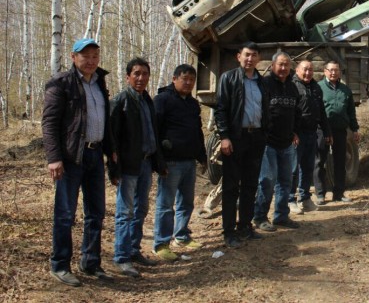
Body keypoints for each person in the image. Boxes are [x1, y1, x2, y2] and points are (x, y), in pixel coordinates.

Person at [42, 38, 115, 287]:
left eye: (95, 55)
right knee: (65, 214)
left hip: (95, 155)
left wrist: (111, 151)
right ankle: (60, 265)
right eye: (86, 56)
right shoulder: (61, 83)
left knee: (96, 213)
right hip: (72, 157)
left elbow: (105, 119)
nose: (91, 61)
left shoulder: (100, 82)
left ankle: (90, 262)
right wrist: (54, 158)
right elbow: (49, 124)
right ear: (74, 57)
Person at [110, 57, 167, 277]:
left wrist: (158, 162)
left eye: (145, 74)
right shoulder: (121, 101)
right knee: (125, 212)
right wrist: (114, 168)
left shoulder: (147, 101)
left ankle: (133, 250)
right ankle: (122, 257)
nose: (141, 78)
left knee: (141, 209)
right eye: (136, 74)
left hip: (145, 162)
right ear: (128, 77)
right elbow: (112, 139)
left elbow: (153, 134)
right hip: (128, 166)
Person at [215, 42, 268, 247]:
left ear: (258, 58)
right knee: (231, 186)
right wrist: (224, 137)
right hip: (236, 139)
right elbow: (221, 110)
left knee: (250, 185)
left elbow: (265, 110)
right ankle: (229, 232)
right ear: (239, 57)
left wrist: (265, 133)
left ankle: (245, 226)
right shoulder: (228, 78)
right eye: (246, 55)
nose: (250, 59)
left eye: (254, 55)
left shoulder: (262, 82)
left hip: (256, 139)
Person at [152, 64, 207, 261]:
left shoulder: (192, 104)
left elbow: (197, 131)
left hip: (188, 161)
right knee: (166, 204)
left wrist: (202, 155)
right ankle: (161, 244)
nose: (188, 82)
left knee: (186, 202)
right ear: (174, 79)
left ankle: (181, 235)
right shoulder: (162, 100)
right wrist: (158, 160)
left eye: (191, 79)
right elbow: (154, 131)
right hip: (171, 162)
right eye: (184, 78)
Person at [253, 52, 301, 231]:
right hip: (268, 143)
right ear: (273, 65)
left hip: (287, 143)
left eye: (286, 65)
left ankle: (281, 216)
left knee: (285, 181)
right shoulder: (264, 84)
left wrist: (295, 131)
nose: (283, 68)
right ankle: (259, 217)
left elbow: (297, 113)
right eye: (280, 65)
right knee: (267, 180)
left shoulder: (292, 87)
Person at [288, 60, 332, 214]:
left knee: (307, 167)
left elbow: (322, 112)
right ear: (297, 70)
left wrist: (327, 132)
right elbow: (289, 112)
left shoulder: (316, 87)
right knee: (293, 169)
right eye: (305, 70)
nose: (308, 73)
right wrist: (292, 132)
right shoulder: (291, 86)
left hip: (311, 133)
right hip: (297, 135)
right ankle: (290, 199)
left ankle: (305, 198)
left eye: (311, 70)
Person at [316, 60, 360, 204]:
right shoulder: (318, 88)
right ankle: (320, 194)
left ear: (340, 72)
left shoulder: (345, 90)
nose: (333, 72)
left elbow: (351, 112)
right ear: (325, 71)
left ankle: (339, 194)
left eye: (336, 70)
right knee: (319, 162)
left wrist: (355, 129)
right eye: (331, 70)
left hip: (340, 130)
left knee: (340, 162)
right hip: (322, 130)